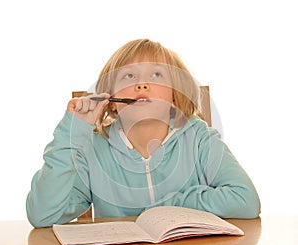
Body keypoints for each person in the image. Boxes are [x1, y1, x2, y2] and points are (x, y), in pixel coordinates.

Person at [26, 38, 261, 228]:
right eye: (129, 76)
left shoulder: (200, 139)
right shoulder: (92, 149)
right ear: (110, 99)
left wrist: (172, 206)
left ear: (175, 94)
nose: (142, 85)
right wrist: (71, 135)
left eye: (156, 75)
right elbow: (43, 216)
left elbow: (246, 201)